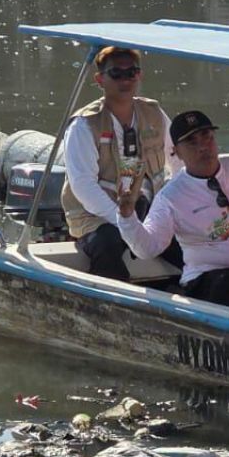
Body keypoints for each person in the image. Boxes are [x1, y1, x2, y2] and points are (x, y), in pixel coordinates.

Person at [116, 110, 229, 312]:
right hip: (210, 281)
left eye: (207, 137)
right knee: (228, 286)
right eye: (192, 141)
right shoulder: (170, 196)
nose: (203, 146)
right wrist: (126, 214)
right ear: (176, 152)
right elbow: (147, 248)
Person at [61, 46, 180, 281]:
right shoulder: (84, 125)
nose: (125, 79)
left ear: (139, 75)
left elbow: (178, 160)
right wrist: (123, 219)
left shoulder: (154, 113)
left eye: (132, 72)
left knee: (190, 246)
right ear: (100, 79)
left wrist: (172, 205)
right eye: (116, 73)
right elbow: (83, 186)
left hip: (147, 209)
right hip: (98, 218)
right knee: (107, 246)